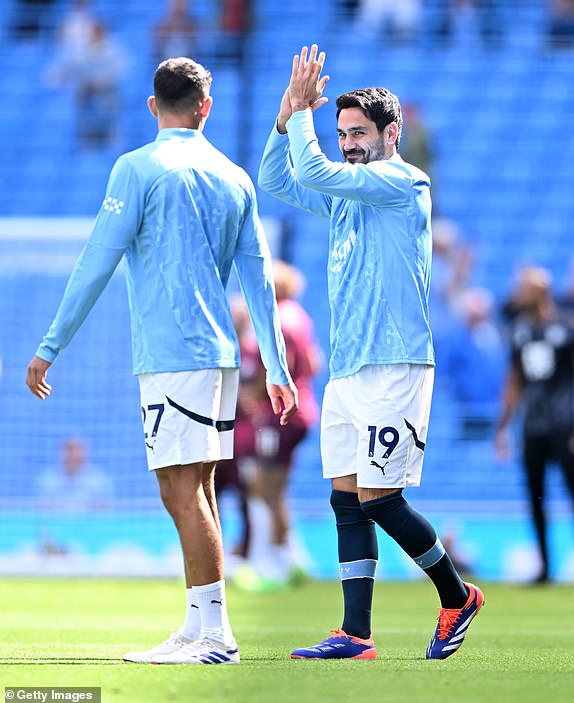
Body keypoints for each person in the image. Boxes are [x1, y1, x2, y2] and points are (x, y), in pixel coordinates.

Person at [26, 56, 297, 666]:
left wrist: (51, 345)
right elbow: (259, 281)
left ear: (153, 105)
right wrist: (275, 368)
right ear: (207, 107)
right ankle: (199, 625)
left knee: (181, 490)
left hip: (174, 354)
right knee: (194, 486)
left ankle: (215, 636)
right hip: (219, 355)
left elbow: (98, 258)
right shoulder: (234, 176)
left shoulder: (137, 168)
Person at [258, 44, 484, 661]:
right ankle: (355, 635)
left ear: (392, 133)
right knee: (345, 497)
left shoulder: (401, 181)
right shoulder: (348, 194)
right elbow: (276, 179)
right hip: (350, 367)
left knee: (381, 499)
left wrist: (303, 110)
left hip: (396, 364)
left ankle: (456, 595)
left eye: (358, 132)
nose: (348, 142)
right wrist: (286, 119)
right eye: (341, 133)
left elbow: (314, 173)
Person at [495, 266, 574, 584]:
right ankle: (545, 567)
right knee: (536, 497)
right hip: (534, 427)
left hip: (565, 425)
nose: (518, 293)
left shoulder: (567, 326)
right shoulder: (518, 330)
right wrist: (503, 426)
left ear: (540, 291)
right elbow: (514, 380)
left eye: (524, 288)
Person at [36, 437, 114, 510]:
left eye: (79, 449)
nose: (74, 454)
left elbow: (107, 509)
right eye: (70, 449)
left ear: (86, 453)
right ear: (61, 452)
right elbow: (40, 508)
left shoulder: (98, 479)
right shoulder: (48, 479)